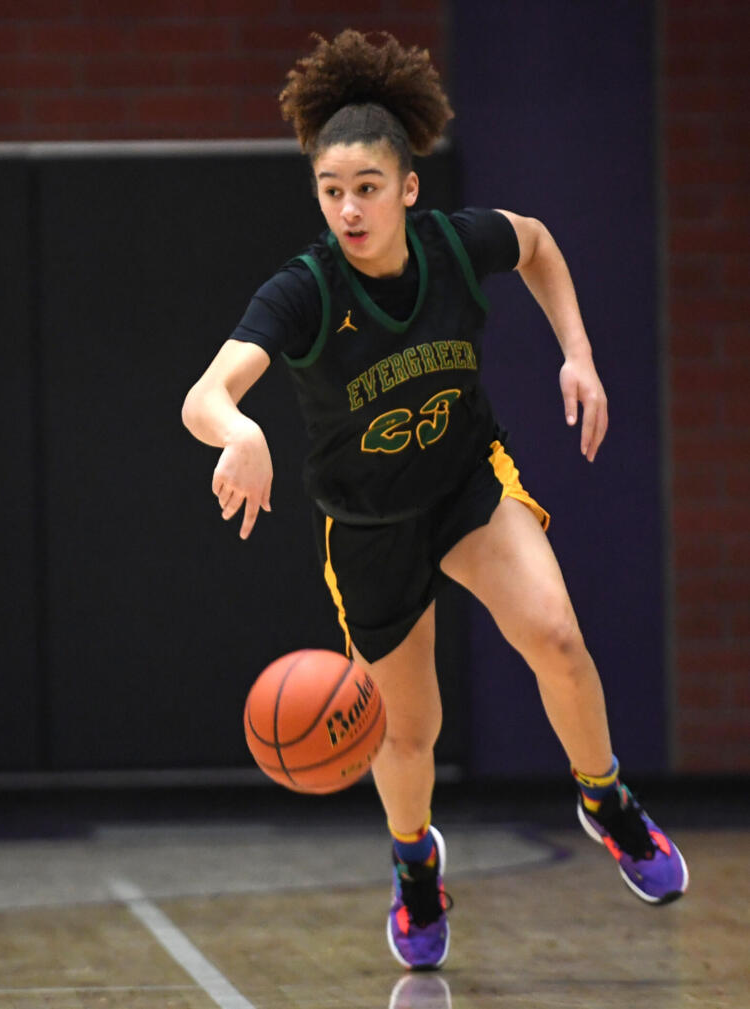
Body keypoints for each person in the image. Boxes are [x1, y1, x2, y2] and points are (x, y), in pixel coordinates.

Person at [181, 30, 687, 971]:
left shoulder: (457, 246)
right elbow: (204, 395)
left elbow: (535, 242)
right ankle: (416, 867)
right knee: (408, 732)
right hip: (369, 526)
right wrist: (241, 432)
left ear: (408, 187)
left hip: (465, 486)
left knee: (558, 637)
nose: (348, 207)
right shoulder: (303, 290)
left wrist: (577, 352)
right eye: (331, 190)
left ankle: (606, 798)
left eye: (367, 187)